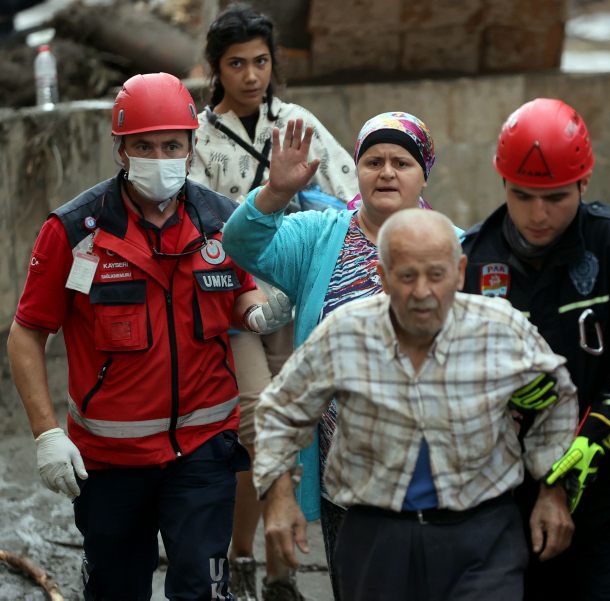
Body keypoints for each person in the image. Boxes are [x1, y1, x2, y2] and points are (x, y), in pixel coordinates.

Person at [6, 72, 287, 600]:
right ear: (120, 149)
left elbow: (242, 294)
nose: (159, 156)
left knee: (201, 592)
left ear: (191, 146)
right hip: (110, 463)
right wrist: (46, 434)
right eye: (144, 145)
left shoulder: (222, 222)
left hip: (204, 454)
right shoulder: (74, 232)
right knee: (116, 591)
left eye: (171, 145)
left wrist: (260, 312)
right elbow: (27, 334)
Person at [252, 208, 579, 601]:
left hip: (483, 536)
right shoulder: (345, 332)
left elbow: (557, 399)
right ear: (383, 277)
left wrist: (553, 487)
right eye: (407, 276)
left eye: (436, 275)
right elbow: (281, 409)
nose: (422, 291)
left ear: (459, 273)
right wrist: (278, 494)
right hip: (375, 536)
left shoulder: (500, 329)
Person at [222, 110, 447, 598]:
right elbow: (241, 244)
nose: (386, 171)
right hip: (344, 475)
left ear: (423, 173)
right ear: (358, 169)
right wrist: (276, 192)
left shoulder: (452, 246)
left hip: (430, 473)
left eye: (401, 162)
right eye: (373, 160)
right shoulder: (319, 234)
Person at [460, 98, 610, 600]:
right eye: (522, 195)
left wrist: (582, 451)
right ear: (502, 183)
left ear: (584, 183)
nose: (538, 214)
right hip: (509, 500)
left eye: (555, 197)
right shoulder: (472, 260)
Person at [187, 5, 358, 599]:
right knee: (259, 417)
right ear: (216, 69)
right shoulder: (200, 137)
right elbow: (197, 225)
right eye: (237, 64)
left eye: (260, 61)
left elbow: (350, 191)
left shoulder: (297, 122)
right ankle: (242, 559)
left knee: (298, 423)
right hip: (229, 302)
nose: (251, 75)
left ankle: (278, 571)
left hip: (295, 291)